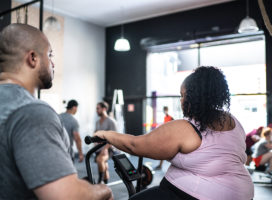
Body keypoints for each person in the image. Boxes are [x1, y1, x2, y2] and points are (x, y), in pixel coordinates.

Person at [95, 66, 254, 200]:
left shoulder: (186, 128)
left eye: (183, 95)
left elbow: (134, 145)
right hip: (243, 192)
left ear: (194, 97)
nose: (181, 100)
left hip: (198, 194)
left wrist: (106, 134)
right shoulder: (233, 121)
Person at [0, 24, 113, 200]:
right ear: (33, 58)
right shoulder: (33, 113)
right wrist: (103, 191)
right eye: (50, 55)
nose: (52, 63)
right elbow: (67, 196)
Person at [95, 101, 118, 184]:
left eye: (98, 108)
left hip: (109, 147)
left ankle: (100, 181)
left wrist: (105, 149)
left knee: (100, 160)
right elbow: (96, 133)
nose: (96, 110)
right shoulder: (97, 122)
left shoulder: (111, 121)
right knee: (104, 165)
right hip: (99, 147)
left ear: (104, 109)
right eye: (96, 109)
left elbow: (114, 137)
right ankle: (106, 183)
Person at [155, 106, 174, 170]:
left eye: (166, 110)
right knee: (163, 151)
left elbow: (172, 127)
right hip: (165, 137)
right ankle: (160, 165)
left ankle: (160, 165)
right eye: (164, 110)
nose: (165, 111)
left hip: (169, 138)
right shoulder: (165, 117)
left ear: (167, 110)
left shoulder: (170, 118)